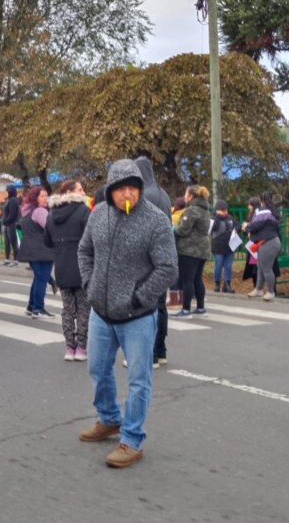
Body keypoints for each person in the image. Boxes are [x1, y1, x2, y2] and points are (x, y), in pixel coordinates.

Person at [77, 159, 178, 469]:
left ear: (140, 189)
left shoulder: (156, 221)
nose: (127, 195)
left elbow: (168, 268)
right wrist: (89, 284)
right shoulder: (99, 216)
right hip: (101, 313)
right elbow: (85, 251)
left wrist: (140, 298)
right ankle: (109, 419)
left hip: (137, 317)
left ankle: (132, 439)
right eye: (121, 190)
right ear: (110, 191)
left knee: (138, 380)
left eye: (133, 188)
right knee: (97, 368)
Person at [44, 180, 91, 361]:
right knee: (83, 309)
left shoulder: (52, 213)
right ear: (71, 192)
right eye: (80, 189)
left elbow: (47, 241)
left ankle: (69, 348)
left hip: (62, 265)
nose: (84, 191)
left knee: (67, 309)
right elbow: (91, 237)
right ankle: (81, 348)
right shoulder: (83, 211)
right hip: (81, 265)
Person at [135, 158, 174, 366]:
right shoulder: (163, 193)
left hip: (148, 258)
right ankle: (161, 349)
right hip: (164, 254)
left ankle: (151, 354)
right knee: (160, 306)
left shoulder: (144, 195)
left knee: (148, 307)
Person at [172, 185, 211, 318]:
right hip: (203, 249)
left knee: (186, 280)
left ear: (191, 196)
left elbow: (183, 230)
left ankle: (186, 310)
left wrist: (172, 229)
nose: (184, 196)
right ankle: (200, 308)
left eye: (186, 194)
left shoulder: (191, 210)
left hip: (189, 249)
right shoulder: (205, 210)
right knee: (197, 279)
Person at [17, 186, 56, 318]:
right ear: (35, 198)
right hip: (43, 250)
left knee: (38, 278)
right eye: (42, 196)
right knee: (42, 279)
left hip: (31, 249)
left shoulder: (27, 210)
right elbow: (50, 228)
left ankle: (31, 306)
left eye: (46, 195)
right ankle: (38, 309)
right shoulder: (40, 211)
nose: (46, 198)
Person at [244, 196, 281, 301]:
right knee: (260, 265)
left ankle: (270, 292)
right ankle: (258, 289)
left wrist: (247, 228)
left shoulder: (262, 213)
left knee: (266, 268)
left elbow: (255, 226)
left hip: (268, 243)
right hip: (268, 242)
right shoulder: (269, 213)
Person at [210, 200, 237, 293]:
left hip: (230, 246)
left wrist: (237, 229)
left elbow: (237, 226)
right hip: (218, 247)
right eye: (222, 210)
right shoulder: (213, 218)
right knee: (218, 265)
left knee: (228, 266)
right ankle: (217, 284)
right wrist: (217, 217)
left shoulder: (230, 218)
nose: (225, 212)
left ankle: (227, 284)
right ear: (217, 210)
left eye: (225, 210)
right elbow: (213, 228)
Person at [167, 197, 187, 306]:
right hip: (186, 248)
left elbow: (170, 231)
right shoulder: (187, 215)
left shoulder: (174, 217)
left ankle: (174, 299)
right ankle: (182, 298)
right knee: (182, 274)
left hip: (175, 247)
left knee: (173, 273)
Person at [1, 184, 21, 267]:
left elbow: (12, 214)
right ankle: (7, 259)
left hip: (12, 224)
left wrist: (5, 220)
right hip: (8, 224)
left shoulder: (13, 200)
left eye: (7, 190)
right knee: (7, 242)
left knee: (13, 242)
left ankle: (16, 260)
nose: (6, 192)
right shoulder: (9, 200)